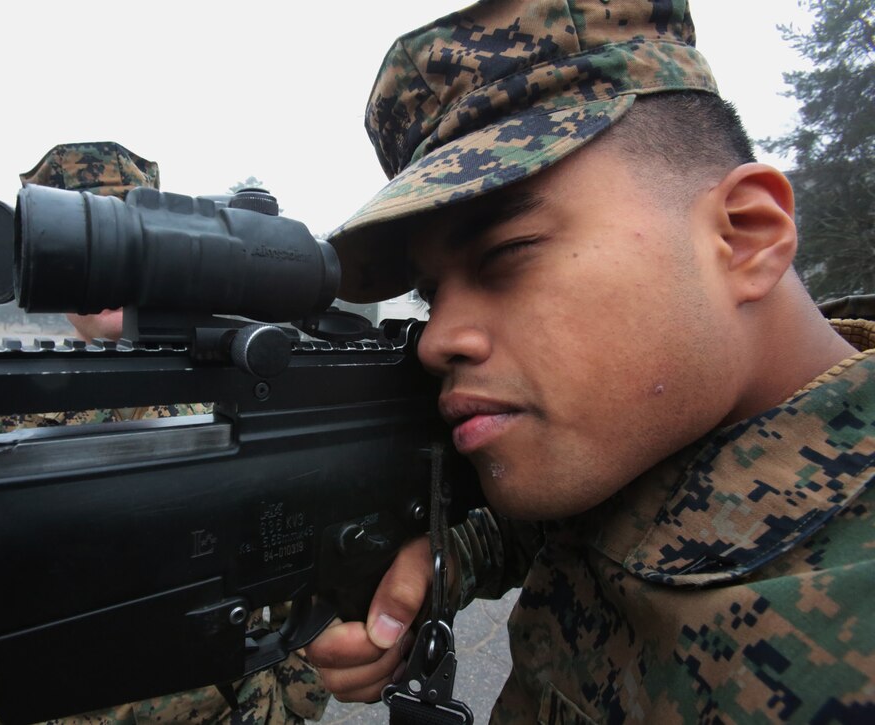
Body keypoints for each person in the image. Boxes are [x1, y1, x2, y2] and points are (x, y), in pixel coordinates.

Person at [302, 1, 875, 722]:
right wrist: (440, 563)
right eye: (431, 292)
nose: (434, 338)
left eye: (505, 253)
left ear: (744, 237)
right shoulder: (648, 432)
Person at [0, 142, 329, 725]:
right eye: (89, 240)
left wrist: (291, 701)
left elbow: (301, 567)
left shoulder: (245, 391)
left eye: (135, 231)